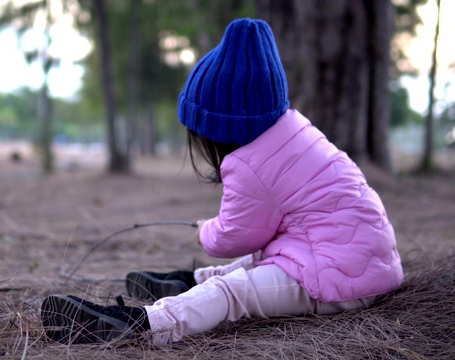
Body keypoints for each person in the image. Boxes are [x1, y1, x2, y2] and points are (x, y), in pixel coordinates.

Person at [40, 18, 403, 345]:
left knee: (233, 291)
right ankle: (191, 280)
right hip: (358, 261)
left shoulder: (251, 164)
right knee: (258, 262)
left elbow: (234, 236)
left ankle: (142, 324)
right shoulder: (294, 133)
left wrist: (204, 232)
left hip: (340, 280)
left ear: (217, 131)